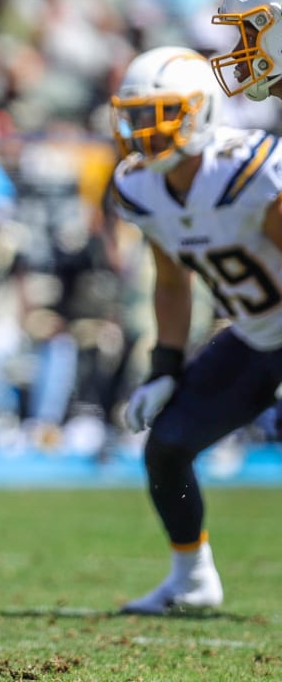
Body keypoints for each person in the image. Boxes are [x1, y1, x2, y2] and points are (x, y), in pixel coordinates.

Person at [110, 45, 282, 614]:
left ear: (202, 112)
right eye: (138, 116)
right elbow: (170, 282)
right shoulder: (141, 187)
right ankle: (192, 579)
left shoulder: (247, 170)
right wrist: (165, 368)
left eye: (164, 113)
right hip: (257, 335)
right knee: (168, 445)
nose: (148, 130)